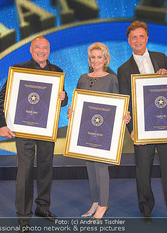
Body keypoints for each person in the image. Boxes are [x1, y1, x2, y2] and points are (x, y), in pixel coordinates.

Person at [117, 21, 167, 229]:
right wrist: (131, 131)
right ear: (128, 41)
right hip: (141, 129)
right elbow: (126, 101)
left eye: (141, 36)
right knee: (142, 172)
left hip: (166, 125)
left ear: (147, 38)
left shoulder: (161, 58)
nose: (137, 40)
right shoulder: (123, 69)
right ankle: (145, 207)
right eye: (133, 38)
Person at [0, 37, 68, 232]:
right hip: (24, 129)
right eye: (37, 47)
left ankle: (43, 208)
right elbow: (2, 98)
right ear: (30, 49)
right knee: (25, 171)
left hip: (46, 130)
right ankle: (23, 216)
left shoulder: (57, 71)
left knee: (46, 169)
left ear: (49, 50)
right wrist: (1, 124)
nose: (41, 51)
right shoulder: (19, 69)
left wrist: (64, 97)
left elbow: (61, 99)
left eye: (45, 48)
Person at [67, 42, 130, 220]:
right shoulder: (82, 78)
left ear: (105, 59)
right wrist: (71, 112)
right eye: (93, 57)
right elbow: (77, 102)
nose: (96, 60)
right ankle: (94, 201)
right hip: (86, 131)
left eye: (99, 57)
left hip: (104, 131)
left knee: (101, 167)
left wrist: (124, 116)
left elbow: (118, 104)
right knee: (90, 167)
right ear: (89, 59)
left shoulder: (112, 79)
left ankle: (103, 204)